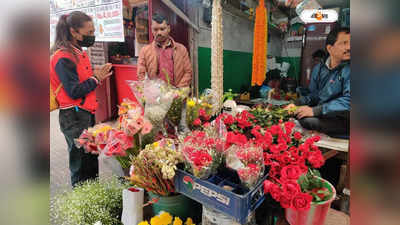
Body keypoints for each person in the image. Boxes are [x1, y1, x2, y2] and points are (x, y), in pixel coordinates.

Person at [50, 11, 113, 187]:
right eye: (89, 32)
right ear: (74, 32)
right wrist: (97, 78)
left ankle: (92, 198)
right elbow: (74, 91)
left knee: (91, 160)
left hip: (85, 114)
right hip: (74, 117)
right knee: (80, 167)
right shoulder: (64, 57)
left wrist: (95, 75)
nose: (92, 36)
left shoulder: (77, 52)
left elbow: (80, 81)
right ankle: (82, 206)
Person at [287, 26, 350, 137]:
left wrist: (316, 111)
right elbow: (317, 94)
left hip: (345, 119)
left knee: (308, 121)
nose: (349, 47)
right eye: (344, 43)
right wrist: (297, 103)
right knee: (299, 115)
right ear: (330, 48)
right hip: (327, 115)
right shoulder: (320, 69)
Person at [137, 13, 192, 87]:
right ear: (151, 29)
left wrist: (177, 91)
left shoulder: (181, 49)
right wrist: (149, 90)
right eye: (155, 29)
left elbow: (188, 72)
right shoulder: (144, 51)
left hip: (177, 95)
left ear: (168, 28)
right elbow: (141, 74)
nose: (159, 32)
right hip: (155, 96)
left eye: (162, 29)